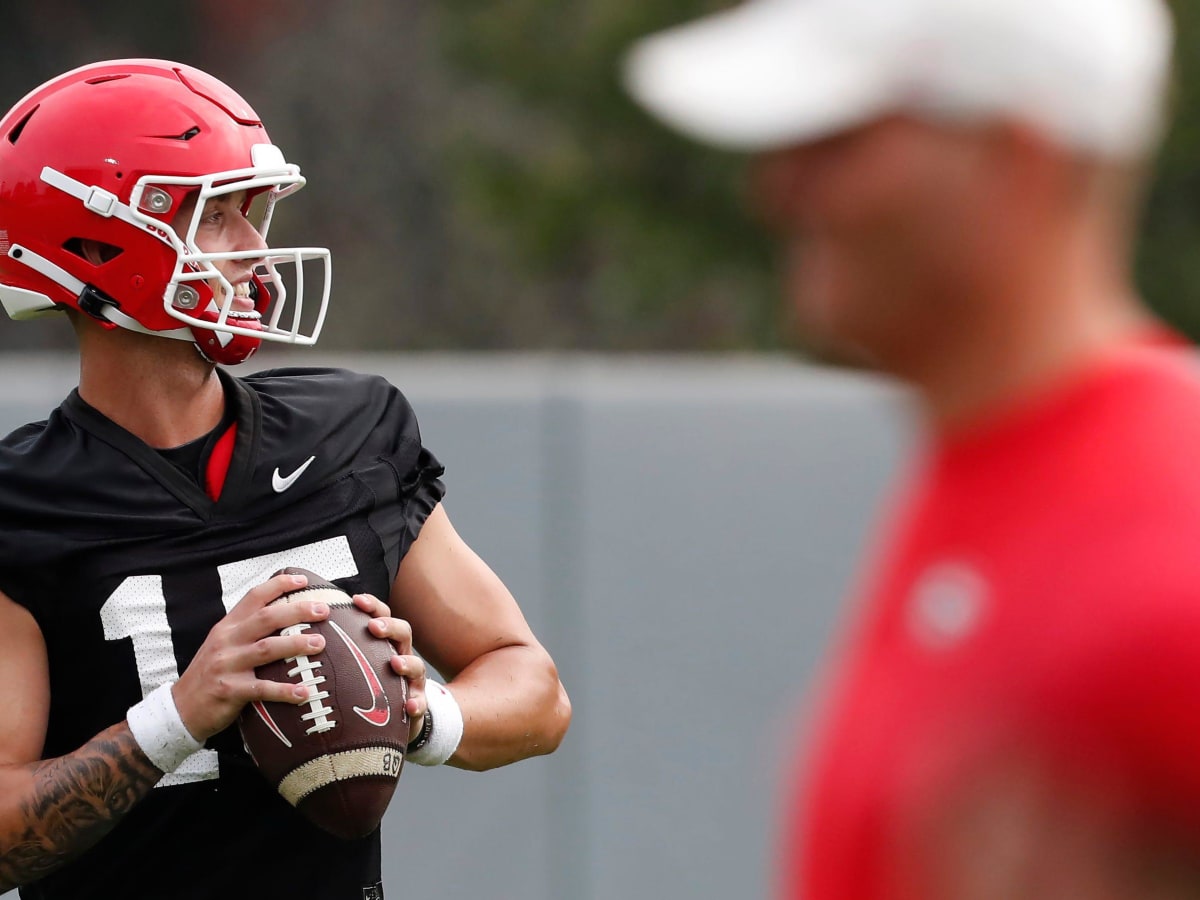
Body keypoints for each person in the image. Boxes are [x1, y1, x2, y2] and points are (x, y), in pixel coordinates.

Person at [622, 0, 1200, 897]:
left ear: (1018, 159)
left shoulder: (1166, 537)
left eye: (838, 142)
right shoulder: (998, 468)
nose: (776, 190)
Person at [0, 59, 571, 900]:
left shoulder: (353, 430)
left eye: (252, 211)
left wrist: (418, 714)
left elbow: (535, 691)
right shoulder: (24, 501)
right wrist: (180, 716)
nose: (256, 248)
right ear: (96, 243)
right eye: (216, 215)